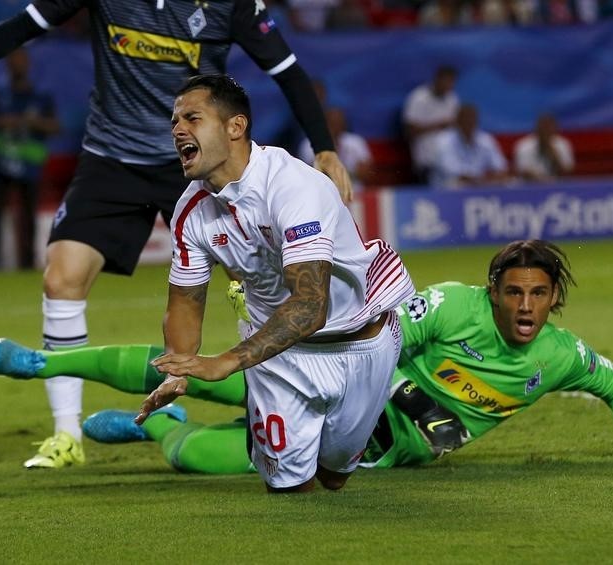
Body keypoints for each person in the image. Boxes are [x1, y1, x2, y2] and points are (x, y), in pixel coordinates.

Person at [0, 0, 352, 469]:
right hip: (111, 158)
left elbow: (288, 70)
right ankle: (66, 433)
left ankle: (293, 384)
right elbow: (22, 27)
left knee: (268, 283)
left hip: (199, 164)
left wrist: (325, 148)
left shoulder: (229, 5)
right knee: (61, 279)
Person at [0, 240, 613, 475]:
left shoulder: (561, 354)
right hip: (342, 391)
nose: (524, 306)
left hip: (368, 452)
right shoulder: (452, 305)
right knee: (205, 366)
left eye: (538, 294)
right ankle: (43, 363)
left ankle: (147, 429)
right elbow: (384, 338)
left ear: (553, 301)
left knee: (194, 458)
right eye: (513, 291)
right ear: (493, 289)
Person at [139, 73, 415, 492]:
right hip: (275, 355)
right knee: (289, 485)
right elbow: (186, 302)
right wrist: (178, 366)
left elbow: (309, 306)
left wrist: (225, 362)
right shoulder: (190, 211)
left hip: (361, 343)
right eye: (174, 122)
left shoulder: (294, 186)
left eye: (192, 118)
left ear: (235, 127)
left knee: (335, 475)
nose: (178, 130)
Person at [0, 47, 59, 270]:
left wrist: (34, 123)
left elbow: (55, 126)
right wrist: (4, 122)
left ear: (28, 63)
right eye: (13, 59)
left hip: (28, 163)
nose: (18, 64)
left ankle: (27, 262)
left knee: (27, 215)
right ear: (7, 64)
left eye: (21, 59)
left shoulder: (40, 96)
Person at [402, 65, 460, 184]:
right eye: (446, 81)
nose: (449, 85)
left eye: (452, 82)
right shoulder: (418, 98)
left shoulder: (452, 99)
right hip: (426, 161)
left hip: (450, 163)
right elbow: (409, 131)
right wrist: (439, 125)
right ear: (437, 79)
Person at [428, 103, 509, 189]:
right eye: (465, 120)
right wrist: (480, 180)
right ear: (457, 121)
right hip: (446, 189)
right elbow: (452, 172)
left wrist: (495, 177)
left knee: (510, 183)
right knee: (455, 183)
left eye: (472, 120)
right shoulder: (443, 140)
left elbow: (501, 167)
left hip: (478, 185)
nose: (469, 123)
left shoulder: (485, 140)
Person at [298, 107, 373, 191]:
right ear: (324, 124)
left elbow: (366, 174)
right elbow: (311, 174)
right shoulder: (308, 145)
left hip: (354, 193)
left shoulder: (356, 142)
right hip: (323, 191)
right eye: (332, 123)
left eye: (339, 123)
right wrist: (351, 173)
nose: (336, 127)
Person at [513, 112, 574, 182]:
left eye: (549, 126)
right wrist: (539, 178)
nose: (546, 129)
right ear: (537, 127)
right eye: (543, 126)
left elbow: (568, 169)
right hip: (530, 184)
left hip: (556, 184)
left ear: (555, 127)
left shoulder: (562, 143)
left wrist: (553, 153)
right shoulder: (524, 144)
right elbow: (521, 170)